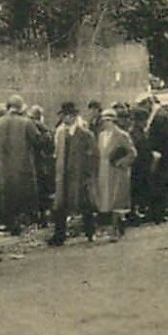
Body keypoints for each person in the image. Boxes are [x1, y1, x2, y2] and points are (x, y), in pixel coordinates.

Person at [0, 94, 42, 235]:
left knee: (7, 195)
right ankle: (22, 222)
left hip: (5, 166)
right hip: (24, 165)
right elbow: (37, 141)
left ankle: (9, 222)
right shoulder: (26, 122)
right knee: (24, 195)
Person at [49, 102, 99, 245]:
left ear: (73, 116)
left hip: (79, 175)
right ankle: (59, 236)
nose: (64, 119)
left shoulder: (85, 134)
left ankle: (90, 232)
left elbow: (94, 154)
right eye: (64, 116)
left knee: (85, 205)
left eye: (66, 116)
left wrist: (88, 172)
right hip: (63, 174)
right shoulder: (61, 133)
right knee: (60, 206)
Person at [93, 108, 137, 237]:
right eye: (104, 121)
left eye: (108, 121)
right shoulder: (101, 136)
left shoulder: (122, 135)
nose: (105, 123)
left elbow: (132, 152)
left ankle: (117, 227)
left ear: (114, 121)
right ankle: (110, 228)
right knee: (105, 201)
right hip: (103, 171)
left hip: (117, 172)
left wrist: (122, 162)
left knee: (116, 200)